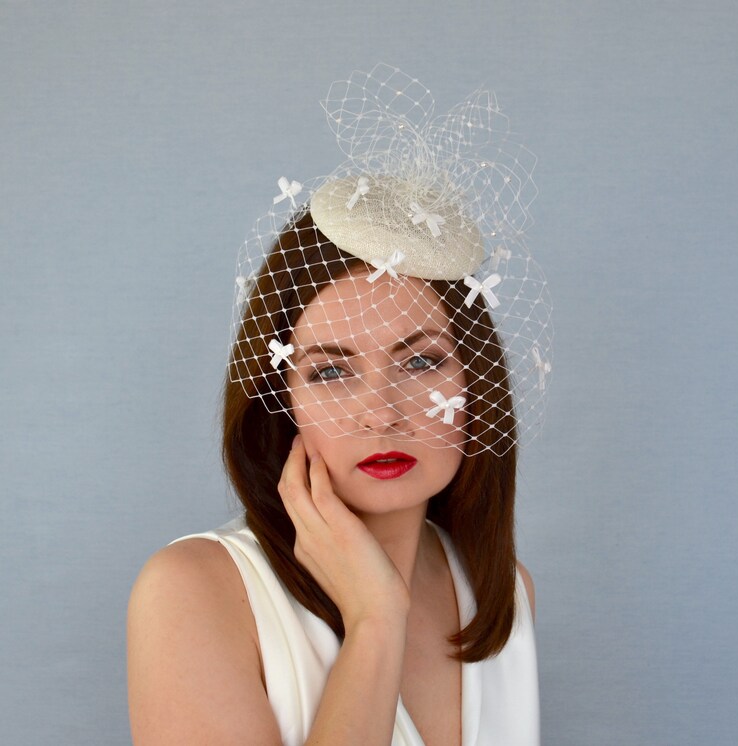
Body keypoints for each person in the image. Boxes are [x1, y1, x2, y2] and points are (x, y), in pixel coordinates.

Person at [127, 64, 551, 746]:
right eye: (329, 372)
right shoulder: (194, 594)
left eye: (420, 361)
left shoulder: (504, 594)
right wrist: (375, 623)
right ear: (281, 398)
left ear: (476, 381)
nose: (380, 413)